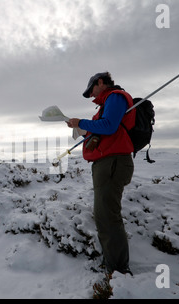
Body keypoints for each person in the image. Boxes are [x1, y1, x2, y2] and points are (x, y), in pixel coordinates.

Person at [66, 72, 135, 275]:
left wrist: (82, 123)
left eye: (91, 90)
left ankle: (119, 270)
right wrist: (80, 128)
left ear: (100, 82)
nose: (90, 95)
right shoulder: (107, 102)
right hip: (107, 163)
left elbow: (109, 126)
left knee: (107, 215)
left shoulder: (115, 97)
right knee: (105, 214)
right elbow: (102, 129)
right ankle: (113, 263)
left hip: (112, 163)